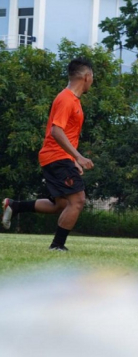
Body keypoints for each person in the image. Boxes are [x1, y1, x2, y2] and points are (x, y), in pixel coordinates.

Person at [2, 58, 95, 251]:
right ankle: (57, 246)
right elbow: (56, 131)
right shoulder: (66, 99)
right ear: (87, 77)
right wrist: (78, 156)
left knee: (60, 204)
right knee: (77, 201)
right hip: (56, 156)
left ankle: (15, 206)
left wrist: (73, 159)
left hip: (59, 157)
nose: (92, 81)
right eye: (92, 77)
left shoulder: (73, 100)